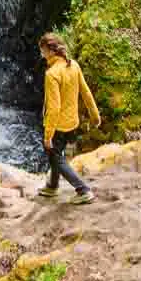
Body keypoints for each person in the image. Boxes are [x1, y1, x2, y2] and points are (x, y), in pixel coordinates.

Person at [38, 32, 99, 202]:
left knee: (56, 157)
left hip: (58, 125)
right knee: (55, 155)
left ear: (50, 51)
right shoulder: (74, 66)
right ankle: (52, 186)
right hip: (72, 123)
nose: (42, 55)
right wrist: (95, 116)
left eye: (42, 51)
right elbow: (86, 93)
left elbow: (54, 107)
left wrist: (48, 134)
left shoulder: (52, 74)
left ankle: (83, 190)